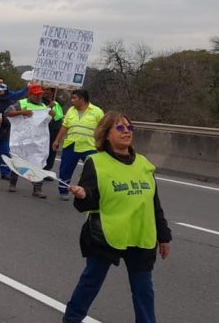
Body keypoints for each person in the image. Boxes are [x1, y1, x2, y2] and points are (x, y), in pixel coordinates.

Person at [63, 112, 171, 323]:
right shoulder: (96, 162)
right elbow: (88, 201)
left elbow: (153, 203)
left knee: (144, 291)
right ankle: (72, 319)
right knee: (91, 282)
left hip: (140, 236)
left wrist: (164, 236)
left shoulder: (144, 164)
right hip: (106, 234)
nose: (126, 132)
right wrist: (84, 195)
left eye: (129, 128)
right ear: (106, 134)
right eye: (120, 128)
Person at [53, 90, 105, 200]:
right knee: (65, 169)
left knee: (92, 171)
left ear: (82, 99)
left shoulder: (97, 111)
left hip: (89, 146)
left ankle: (88, 191)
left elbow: (103, 128)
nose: (72, 101)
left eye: (74, 98)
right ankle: (63, 190)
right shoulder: (71, 111)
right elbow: (65, 126)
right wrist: (57, 140)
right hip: (71, 144)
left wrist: (102, 143)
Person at [4, 84, 54, 197]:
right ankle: (12, 183)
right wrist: (21, 112)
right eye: (36, 94)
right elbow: (7, 113)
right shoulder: (21, 103)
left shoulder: (43, 106)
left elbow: (46, 122)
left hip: (37, 142)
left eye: (40, 94)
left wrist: (51, 114)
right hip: (21, 140)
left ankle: (37, 189)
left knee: (38, 164)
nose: (38, 96)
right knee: (17, 161)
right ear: (29, 94)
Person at [43, 87, 64, 171]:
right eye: (45, 89)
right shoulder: (41, 99)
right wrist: (48, 107)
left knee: (52, 149)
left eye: (48, 90)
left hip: (55, 128)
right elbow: (38, 111)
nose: (45, 91)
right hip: (45, 127)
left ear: (53, 91)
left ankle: (48, 169)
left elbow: (66, 98)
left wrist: (65, 88)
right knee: (43, 148)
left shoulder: (57, 100)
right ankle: (40, 167)